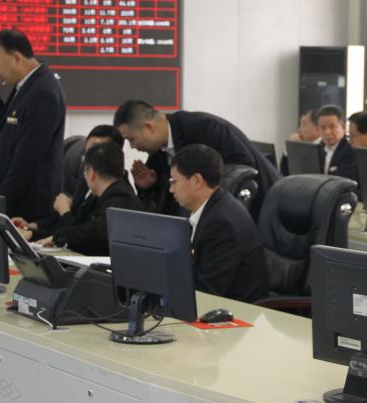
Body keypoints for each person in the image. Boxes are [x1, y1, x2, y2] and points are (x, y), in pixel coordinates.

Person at [114, 100, 280, 216]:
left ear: (149, 127)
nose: (132, 147)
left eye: (131, 139)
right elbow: (166, 205)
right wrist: (149, 187)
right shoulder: (158, 151)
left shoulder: (205, 128)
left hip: (265, 207)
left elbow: (243, 170)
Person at [0, 29, 66, 221]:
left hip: (26, 209)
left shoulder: (43, 92)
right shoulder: (27, 85)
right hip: (14, 203)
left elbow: (26, 161)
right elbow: (11, 130)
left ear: (17, 58)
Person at [168, 144, 270, 303]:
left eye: (174, 181)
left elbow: (208, 291)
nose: (171, 189)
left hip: (238, 310)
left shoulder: (222, 223)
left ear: (196, 180)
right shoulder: (209, 208)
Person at [13, 142, 143, 256]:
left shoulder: (119, 197)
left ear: (91, 173)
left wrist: (64, 216)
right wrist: (32, 233)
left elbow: (91, 234)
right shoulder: (108, 195)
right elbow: (78, 228)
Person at [38, 125, 125, 234]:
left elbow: (84, 235)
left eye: (98, 150)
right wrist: (35, 227)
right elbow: (72, 219)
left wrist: (64, 211)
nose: (91, 157)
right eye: (88, 152)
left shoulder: (117, 196)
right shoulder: (84, 177)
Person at [316, 104, 357, 183]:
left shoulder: (350, 151)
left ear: (343, 127)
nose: (327, 132)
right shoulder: (317, 148)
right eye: (323, 128)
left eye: (332, 127)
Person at [280, 109, 321, 176]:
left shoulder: (323, 149)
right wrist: (290, 148)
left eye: (303, 125)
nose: (299, 130)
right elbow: (284, 174)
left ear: (317, 129)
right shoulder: (304, 147)